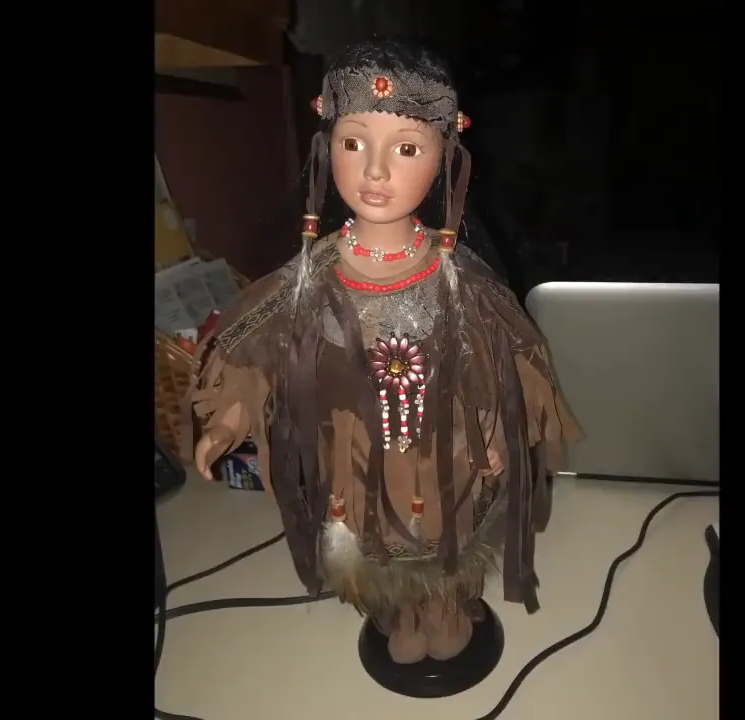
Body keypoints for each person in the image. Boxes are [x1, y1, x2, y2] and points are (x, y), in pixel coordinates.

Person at [186, 39, 578, 664]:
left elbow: (507, 359)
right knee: (370, 547)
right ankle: (396, 611)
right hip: (356, 462)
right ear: (326, 148)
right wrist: (230, 418)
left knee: (446, 547)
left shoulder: (459, 277)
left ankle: (447, 610)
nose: (374, 171)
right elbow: (258, 348)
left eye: (406, 148)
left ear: (443, 159)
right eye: (352, 143)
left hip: (447, 457)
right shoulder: (310, 279)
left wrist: (503, 427)